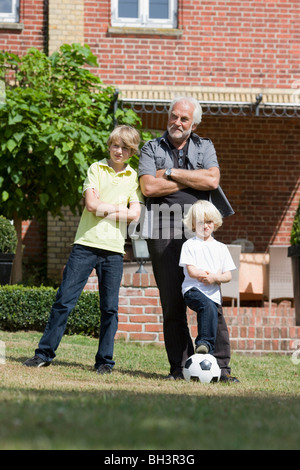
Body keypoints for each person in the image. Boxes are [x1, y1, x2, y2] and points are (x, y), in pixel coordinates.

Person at [23, 125, 143, 374]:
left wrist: (105, 206)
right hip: (85, 245)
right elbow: (90, 205)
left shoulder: (134, 177)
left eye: (124, 147)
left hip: (113, 251)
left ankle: (105, 362)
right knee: (64, 301)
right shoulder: (95, 168)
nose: (118, 150)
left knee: (109, 308)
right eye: (114, 145)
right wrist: (118, 209)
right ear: (109, 145)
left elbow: (134, 215)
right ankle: (43, 354)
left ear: (131, 151)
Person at [138, 96, 237, 382]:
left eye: (184, 119)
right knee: (171, 300)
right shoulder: (151, 147)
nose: (177, 122)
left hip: (199, 226)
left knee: (210, 294)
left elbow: (212, 181)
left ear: (193, 124)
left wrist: (170, 173)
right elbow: (148, 186)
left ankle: (221, 368)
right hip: (162, 227)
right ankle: (179, 368)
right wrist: (195, 177)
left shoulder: (205, 146)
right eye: (173, 116)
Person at [179, 200, 236, 356]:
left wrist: (215, 277)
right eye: (200, 222)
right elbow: (191, 271)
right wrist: (207, 275)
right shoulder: (189, 245)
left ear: (215, 222)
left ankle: (210, 354)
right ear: (192, 224)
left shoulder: (221, 248)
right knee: (206, 306)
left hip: (213, 293)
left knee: (211, 313)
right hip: (193, 290)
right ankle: (204, 343)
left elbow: (228, 275)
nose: (205, 226)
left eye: (209, 222)